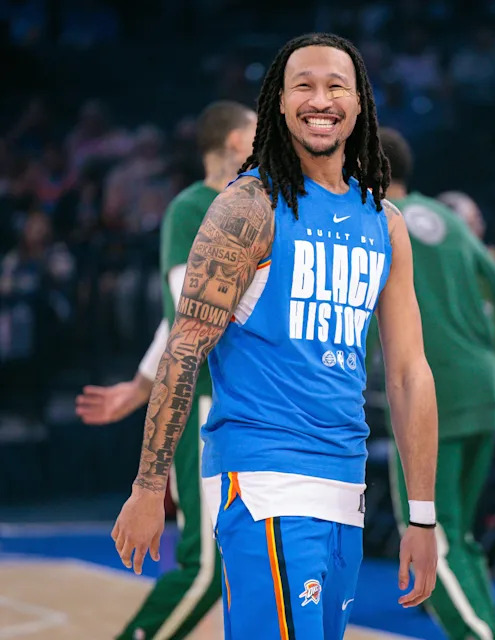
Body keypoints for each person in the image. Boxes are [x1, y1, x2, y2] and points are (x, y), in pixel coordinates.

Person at [110, 33, 439, 640]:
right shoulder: (248, 207)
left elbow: (409, 373)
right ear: (279, 104)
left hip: (345, 482)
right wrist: (149, 486)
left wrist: (423, 517)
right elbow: (184, 351)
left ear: (360, 102)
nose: (321, 99)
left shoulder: (385, 224)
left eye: (336, 85)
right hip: (265, 479)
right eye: (303, 86)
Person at [75, 99, 255, 640]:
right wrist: (146, 385)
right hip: (203, 400)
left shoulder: (259, 206)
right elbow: (187, 310)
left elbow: (175, 321)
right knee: (204, 569)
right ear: (229, 142)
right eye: (256, 130)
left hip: (252, 405)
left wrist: (138, 385)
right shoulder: (192, 206)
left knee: (250, 562)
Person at [373, 128, 495, 640]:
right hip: (483, 388)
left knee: (429, 536)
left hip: (430, 395)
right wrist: (487, 359)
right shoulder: (450, 221)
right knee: (459, 536)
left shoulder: (373, 223)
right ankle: (494, 629)